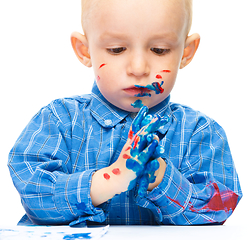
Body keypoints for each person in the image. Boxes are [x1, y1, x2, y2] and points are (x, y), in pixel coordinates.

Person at [8, 0, 242, 226]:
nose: (139, 68)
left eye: (159, 50)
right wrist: (110, 180)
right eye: (117, 49)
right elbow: (32, 192)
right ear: (85, 50)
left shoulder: (199, 132)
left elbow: (222, 205)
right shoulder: (59, 120)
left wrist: (160, 177)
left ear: (187, 52)